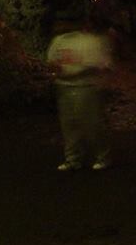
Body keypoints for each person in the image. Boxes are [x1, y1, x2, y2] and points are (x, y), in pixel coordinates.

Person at [44, 15, 112, 171]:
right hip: (65, 86)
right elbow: (52, 63)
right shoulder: (59, 41)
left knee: (92, 124)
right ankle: (73, 159)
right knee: (69, 125)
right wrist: (57, 72)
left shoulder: (87, 41)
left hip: (85, 87)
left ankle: (102, 157)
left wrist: (70, 73)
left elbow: (96, 66)